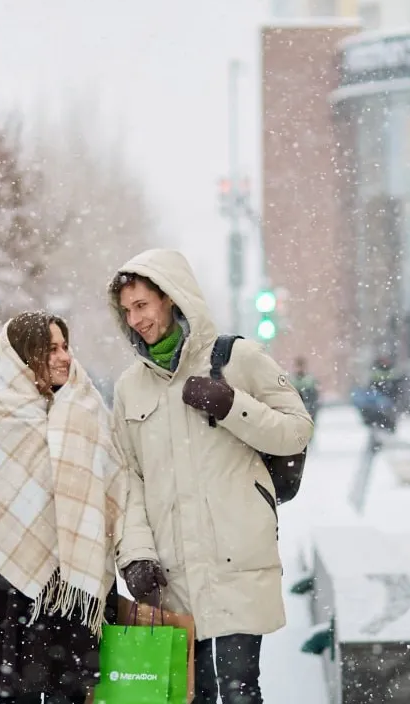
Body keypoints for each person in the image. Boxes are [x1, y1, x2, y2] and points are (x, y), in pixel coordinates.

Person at [107, 250, 313, 704]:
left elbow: (297, 430)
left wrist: (230, 405)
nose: (135, 319)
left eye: (142, 305)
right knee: (189, 697)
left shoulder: (237, 358)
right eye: (127, 310)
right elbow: (127, 480)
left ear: (170, 298)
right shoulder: (129, 388)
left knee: (241, 692)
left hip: (235, 560)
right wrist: (137, 555)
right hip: (173, 573)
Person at [0, 312, 126, 703]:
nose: (64, 357)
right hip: (18, 575)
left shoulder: (86, 407)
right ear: (24, 356)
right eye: (50, 349)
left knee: (75, 695)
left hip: (77, 579)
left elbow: (114, 483)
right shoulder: (1, 412)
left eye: (66, 346)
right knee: (18, 693)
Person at [291, 357, 321, 424]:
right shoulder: (292, 381)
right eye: (298, 366)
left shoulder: (310, 380)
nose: (299, 369)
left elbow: (315, 397)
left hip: (308, 411)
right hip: (296, 413)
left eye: (301, 366)